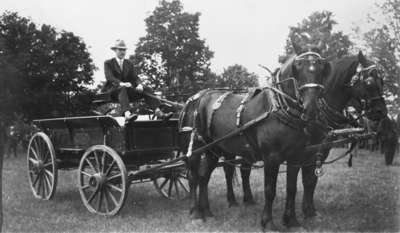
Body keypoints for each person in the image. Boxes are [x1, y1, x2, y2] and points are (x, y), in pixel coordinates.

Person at [102, 39, 172, 122]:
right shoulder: (108, 63)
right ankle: (127, 114)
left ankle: (158, 112)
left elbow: (135, 77)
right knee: (122, 88)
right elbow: (109, 77)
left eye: (124, 50)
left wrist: (139, 84)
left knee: (147, 89)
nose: (122, 52)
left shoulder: (129, 63)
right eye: (120, 50)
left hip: (127, 92)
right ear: (115, 50)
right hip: (114, 91)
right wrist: (121, 83)